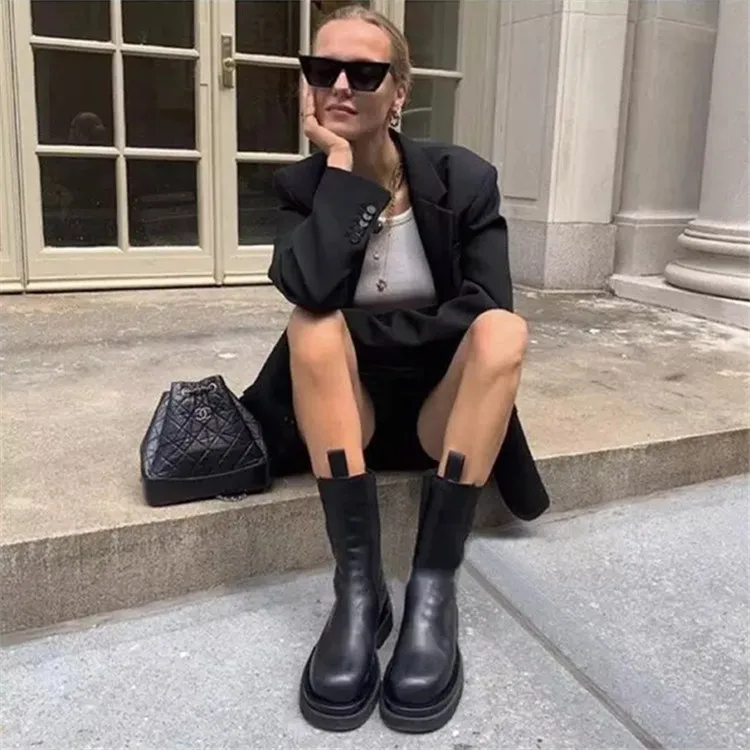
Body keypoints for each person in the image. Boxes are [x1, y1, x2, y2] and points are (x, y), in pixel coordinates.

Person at [240, 3, 549, 735]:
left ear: (400, 91)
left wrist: (371, 333)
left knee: (503, 333)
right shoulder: (302, 186)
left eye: (365, 72)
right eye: (323, 70)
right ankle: (360, 592)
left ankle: (432, 586)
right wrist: (343, 174)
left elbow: (485, 304)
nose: (340, 86)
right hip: (347, 422)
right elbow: (310, 288)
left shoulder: (464, 179)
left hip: (444, 417)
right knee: (312, 326)